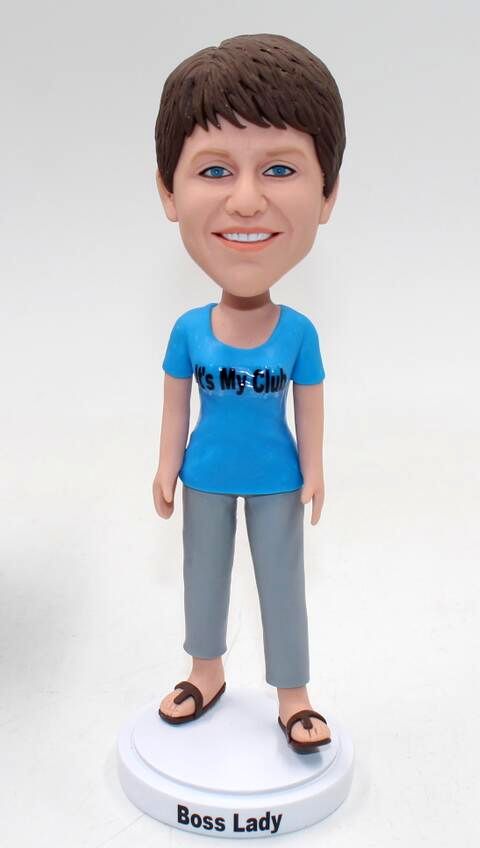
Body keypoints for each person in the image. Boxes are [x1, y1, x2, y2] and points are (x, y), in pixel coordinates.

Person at [152, 33, 346, 754]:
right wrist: (165, 465)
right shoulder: (187, 331)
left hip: (276, 479)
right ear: (168, 192)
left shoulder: (297, 333)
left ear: (327, 195)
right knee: (202, 574)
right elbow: (175, 406)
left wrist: (315, 469)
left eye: (280, 168)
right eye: (213, 169)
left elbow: (310, 405)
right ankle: (204, 671)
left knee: (281, 581)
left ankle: (294, 695)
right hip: (204, 475)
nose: (245, 200)